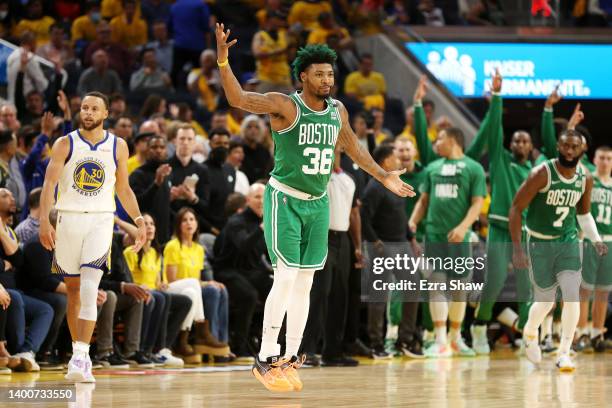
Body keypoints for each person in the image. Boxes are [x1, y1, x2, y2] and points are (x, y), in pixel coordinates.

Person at [215, 24, 414, 392]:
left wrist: (384, 175)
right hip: (286, 199)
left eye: (330, 73)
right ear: (303, 75)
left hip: (318, 203)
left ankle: (290, 359)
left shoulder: (337, 110)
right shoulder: (284, 105)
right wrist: (224, 59)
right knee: (287, 277)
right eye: (319, 73)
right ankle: (266, 356)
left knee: (306, 283)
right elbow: (238, 99)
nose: (327, 78)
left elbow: (353, 148)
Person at [38, 91, 147, 383]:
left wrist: (138, 220)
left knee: (88, 288)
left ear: (106, 113)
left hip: (100, 221)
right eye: (84, 108)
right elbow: (48, 185)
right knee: (73, 291)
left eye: (93, 108)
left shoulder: (118, 146)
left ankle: (82, 355)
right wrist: (43, 223)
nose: (87, 112)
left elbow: (123, 189)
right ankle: (78, 350)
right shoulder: (64, 143)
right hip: (67, 219)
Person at [509, 126, 608, 372]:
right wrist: (518, 249)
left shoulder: (585, 178)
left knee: (572, 296)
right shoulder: (541, 173)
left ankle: (564, 352)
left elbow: (584, 215)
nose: (570, 150)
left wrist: (595, 239)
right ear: (558, 146)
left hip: (568, 241)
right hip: (540, 242)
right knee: (546, 301)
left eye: (575, 146)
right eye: (566, 145)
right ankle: (530, 331)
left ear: (583, 149)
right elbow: (515, 209)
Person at [409, 126, 486, 358]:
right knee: (436, 286)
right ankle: (440, 339)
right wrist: (412, 221)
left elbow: (477, 203)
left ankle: (455, 338)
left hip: (459, 239)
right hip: (434, 236)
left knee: (459, 288)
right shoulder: (433, 168)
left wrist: (463, 227)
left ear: (453, 140)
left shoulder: (474, 168)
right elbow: (423, 200)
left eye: (440, 139)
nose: (436, 143)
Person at [302, 149, 361, 366]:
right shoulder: (316, 175)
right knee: (319, 294)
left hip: (343, 239)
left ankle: (332, 352)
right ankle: (306, 350)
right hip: (320, 236)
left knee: (340, 296)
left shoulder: (349, 179)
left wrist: (357, 245)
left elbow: (354, 213)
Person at [123, 214, 191, 366]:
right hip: (138, 292)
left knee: (185, 301)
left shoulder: (156, 253)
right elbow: (126, 278)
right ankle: (146, 349)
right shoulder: (130, 251)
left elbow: (158, 280)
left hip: (154, 292)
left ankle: (163, 347)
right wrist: (140, 286)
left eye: (152, 224)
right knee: (160, 298)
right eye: (145, 224)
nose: (149, 227)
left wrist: (162, 284)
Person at [212, 183, 271, 361]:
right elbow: (244, 246)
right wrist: (262, 228)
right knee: (249, 295)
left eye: (264, 197)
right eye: (257, 197)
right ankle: (240, 346)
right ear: (247, 200)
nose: (261, 201)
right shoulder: (236, 222)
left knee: (278, 291)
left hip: (251, 271)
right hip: (227, 270)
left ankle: (268, 342)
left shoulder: (263, 221)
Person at [163, 207, 231, 361]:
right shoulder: (172, 245)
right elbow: (172, 279)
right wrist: (200, 283)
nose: (189, 223)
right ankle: (202, 332)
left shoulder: (199, 249)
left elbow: (197, 281)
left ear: (197, 224)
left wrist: (208, 283)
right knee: (196, 287)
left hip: (191, 290)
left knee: (210, 290)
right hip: (172, 289)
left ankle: (184, 342)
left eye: (192, 219)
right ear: (179, 225)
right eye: (185, 220)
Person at [575, 146, 612, 353]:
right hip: (590, 241)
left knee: (603, 291)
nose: (605, 162)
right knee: (585, 290)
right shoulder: (588, 181)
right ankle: (581, 333)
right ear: (595, 160)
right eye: (602, 158)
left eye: (609, 158)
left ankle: (598, 333)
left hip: (610, 241)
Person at [129, 135, 172, 244]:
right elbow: (138, 204)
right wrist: (156, 184)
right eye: (154, 147)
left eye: (162, 147)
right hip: (143, 237)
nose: (158, 150)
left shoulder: (167, 174)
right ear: (147, 151)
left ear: (166, 151)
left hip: (163, 236)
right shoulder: (137, 175)